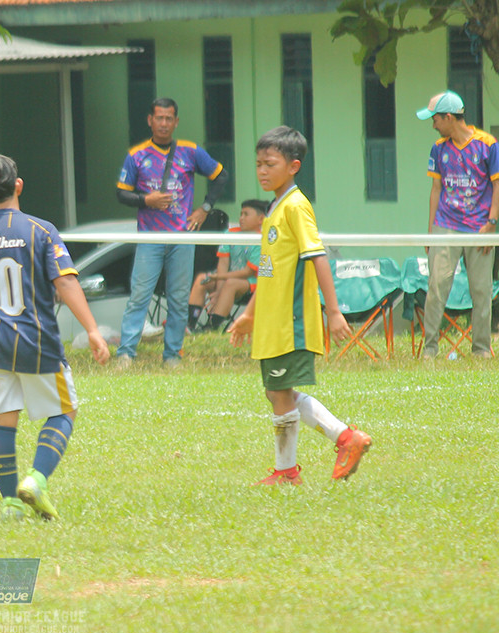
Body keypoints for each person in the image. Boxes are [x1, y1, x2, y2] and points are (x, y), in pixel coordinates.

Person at [0, 152, 110, 520]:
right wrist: (92, 330)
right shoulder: (40, 230)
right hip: (37, 340)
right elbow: (64, 279)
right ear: (18, 186)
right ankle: (36, 479)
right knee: (64, 411)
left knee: (2, 420)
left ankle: (10, 504)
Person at [229, 126, 371, 486]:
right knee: (278, 391)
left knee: (279, 392)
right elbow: (270, 271)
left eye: (270, 163)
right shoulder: (274, 208)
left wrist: (334, 311)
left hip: (290, 321)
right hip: (272, 322)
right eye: (258, 163)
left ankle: (289, 471)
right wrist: (249, 314)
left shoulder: (295, 206)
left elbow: (317, 257)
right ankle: (343, 439)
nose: (262, 170)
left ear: (293, 166)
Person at [115, 97, 229, 365]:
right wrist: (147, 200)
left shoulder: (190, 151)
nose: (164, 123)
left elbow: (220, 176)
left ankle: (172, 355)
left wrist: (204, 208)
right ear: (150, 121)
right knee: (139, 296)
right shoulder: (137, 155)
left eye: (169, 119)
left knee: (179, 298)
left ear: (176, 122)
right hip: (150, 237)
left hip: (182, 236)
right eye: (159, 118)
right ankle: (126, 354)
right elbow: (121, 193)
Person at [416, 90, 499, 358]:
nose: (433, 126)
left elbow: (497, 185)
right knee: (437, 287)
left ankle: (481, 351)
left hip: (479, 228)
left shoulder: (488, 145)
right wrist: (431, 235)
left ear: (449, 117)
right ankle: (429, 351)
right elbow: (436, 190)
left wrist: (492, 223)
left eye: (435, 119)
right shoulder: (439, 148)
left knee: (481, 290)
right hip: (446, 225)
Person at [188, 199, 266, 331]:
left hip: (252, 284)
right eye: (240, 214)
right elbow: (223, 263)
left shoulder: (261, 239)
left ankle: (212, 327)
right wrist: (218, 290)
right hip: (226, 279)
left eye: (246, 214)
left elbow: (248, 272)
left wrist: (220, 279)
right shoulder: (230, 234)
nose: (241, 218)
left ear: (260, 219)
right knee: (202, 278)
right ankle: (189, 324)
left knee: (231, 283)